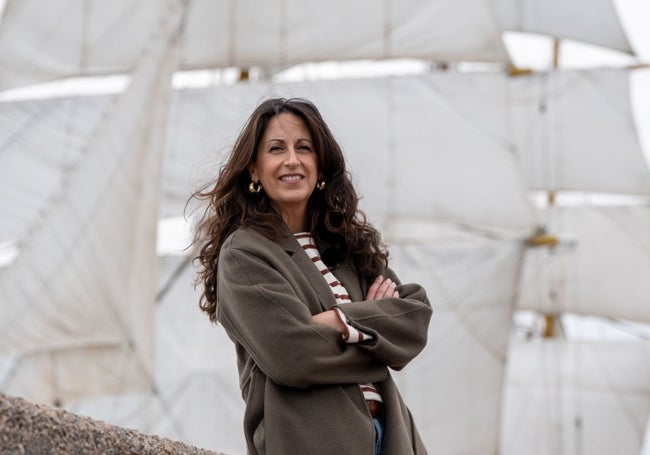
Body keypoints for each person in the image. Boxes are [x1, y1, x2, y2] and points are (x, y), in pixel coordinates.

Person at [191, 97, 432, 454]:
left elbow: (413, 319)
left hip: (393, 439)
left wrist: (336, 322)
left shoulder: (349, 246)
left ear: (320, 164)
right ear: (254, 170)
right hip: (312, 441)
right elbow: (292, 357)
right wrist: (376, 340)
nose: (292, 160)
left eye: (304, 147)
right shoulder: (244, 253)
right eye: (276, 148)